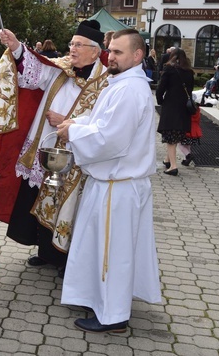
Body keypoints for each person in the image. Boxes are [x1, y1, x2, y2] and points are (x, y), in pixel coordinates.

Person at [56, 28, 161, 333]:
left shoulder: (130, 90)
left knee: (112, 253)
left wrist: (72, 132)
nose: (110, 57)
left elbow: (111, 139)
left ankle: (113, 316)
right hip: (113, 184)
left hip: (118, 186)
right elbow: (102, 122)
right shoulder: (123, 83)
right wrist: (78, 122)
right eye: (110, 51)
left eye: (118, 52)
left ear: (137, 55)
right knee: (106, 248)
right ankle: (100, 300)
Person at [0, 20, 108, 276]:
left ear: (95, 51)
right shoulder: (60, 68)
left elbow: (104, 120)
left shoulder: (106, 82)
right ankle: (45, 251)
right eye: (72, 43)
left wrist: (65, 121)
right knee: (39, 195)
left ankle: (66, 257)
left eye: (79, 45)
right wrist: (16, 46)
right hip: (45, 146)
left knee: (67, 203)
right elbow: (32, 74)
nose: (72, 49)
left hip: (75, 154)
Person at [156, 48, 194, 176]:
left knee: (170, 136)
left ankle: (173, 166)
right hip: (184, 106)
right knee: (176, 133)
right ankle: (168, 160)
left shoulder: (169, 69)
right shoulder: (189, 71)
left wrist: (160, 100)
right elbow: (191, 88)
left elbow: (161, 87)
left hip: (171, 105)